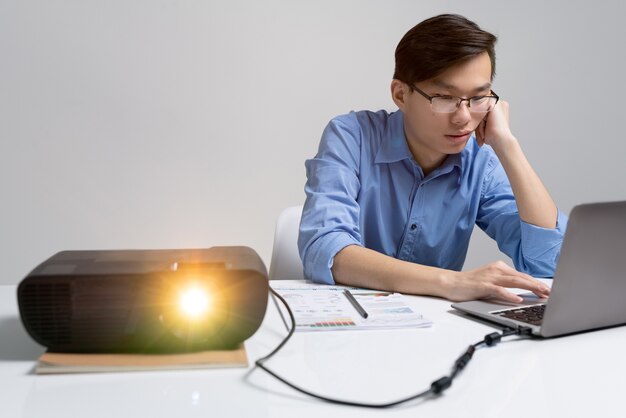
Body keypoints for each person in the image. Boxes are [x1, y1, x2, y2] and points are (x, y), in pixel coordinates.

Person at [297, 14, 568, 303]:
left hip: (434, 333)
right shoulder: (353, 136)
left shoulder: (480, 162)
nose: (463, 118)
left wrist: (508, 145)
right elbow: (325, 248)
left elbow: (549, 263)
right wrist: (452, 282)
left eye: (479, 98)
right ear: (401, 94)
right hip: (350, 325)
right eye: (444, 98)